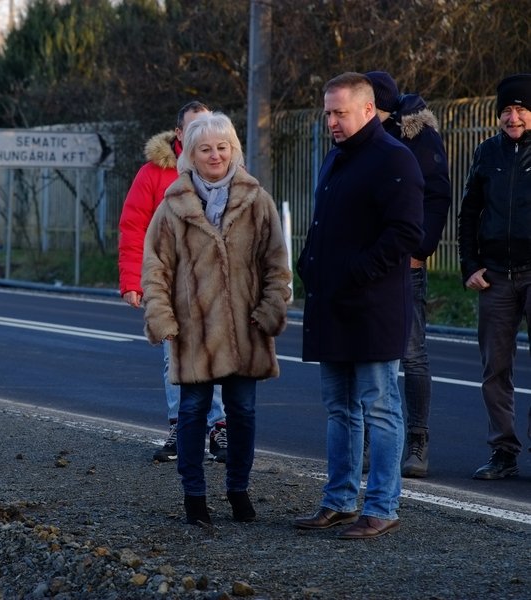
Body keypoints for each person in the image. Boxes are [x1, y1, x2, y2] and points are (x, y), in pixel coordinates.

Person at [141, 112, 291, 526]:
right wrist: (164, 320)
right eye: (205, 148)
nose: (215, 155)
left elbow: (277, 262)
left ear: (234, 150)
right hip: (195, 331)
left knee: (243, 411)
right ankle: (194, 497)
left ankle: (239, 490)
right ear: (190, 153)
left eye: (222, 147)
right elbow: (155, 268)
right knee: (192, 411)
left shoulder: (256, 199)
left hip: (247, 329)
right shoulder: (174, 204)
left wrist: (270, 310)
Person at [294, 72, 423, 539]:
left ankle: (382, 506)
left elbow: (407, 234)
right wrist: (308, 264)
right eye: (328, 112)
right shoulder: (335, 159)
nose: (331, 120)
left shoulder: (394, 158)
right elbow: (322, 223)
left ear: (368, 110)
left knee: (380, 408)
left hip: (372, 307)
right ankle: (339, 500)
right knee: (339, 409)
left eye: (340, 112)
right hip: (332, 305)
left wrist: (356, 272)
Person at [118, 101, 229, 463]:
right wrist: (132, 280)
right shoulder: (154, 174)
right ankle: (181, 429)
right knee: (175, 356)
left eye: (210, 126)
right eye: (196, 127)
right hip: (169, 282)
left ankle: (218, 428)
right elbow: (134, 227)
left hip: (216, 282)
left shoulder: (226, 170)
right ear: (179, 134)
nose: (204, 134)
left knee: (216, 354)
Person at [364, 71, 453, 478]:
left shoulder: (418, 138)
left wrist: (421, 250)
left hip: (405, 263)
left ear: (378, 105)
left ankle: (417, 440)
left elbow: (437, 196)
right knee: (365, 353)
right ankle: (369, 440)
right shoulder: (355, 137)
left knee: (412, 354)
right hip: (366, 263)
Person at [457, 73, 531, 480]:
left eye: (520, 108)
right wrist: (470, 265)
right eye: (505, 110)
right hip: (496, 278)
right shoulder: (487, 153)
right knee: (495, 369)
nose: (512, 116)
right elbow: (469, 213)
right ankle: (503, 452)